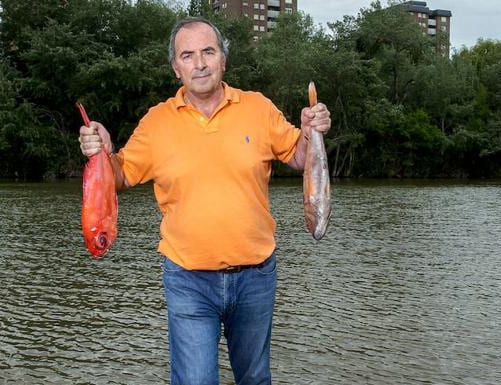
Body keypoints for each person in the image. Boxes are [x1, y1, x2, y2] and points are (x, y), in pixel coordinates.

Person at [78, 17, 331, 385]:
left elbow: (298, 156)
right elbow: (118, 177)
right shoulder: (156, 123)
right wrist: (101, 151)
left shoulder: (257, 108)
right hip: (188, 279)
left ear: (223, 60)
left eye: (208, 52)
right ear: (175, 68)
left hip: (256, 276)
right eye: (188, 55)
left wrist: (310, 133)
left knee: (255, 379)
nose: (199, 63)